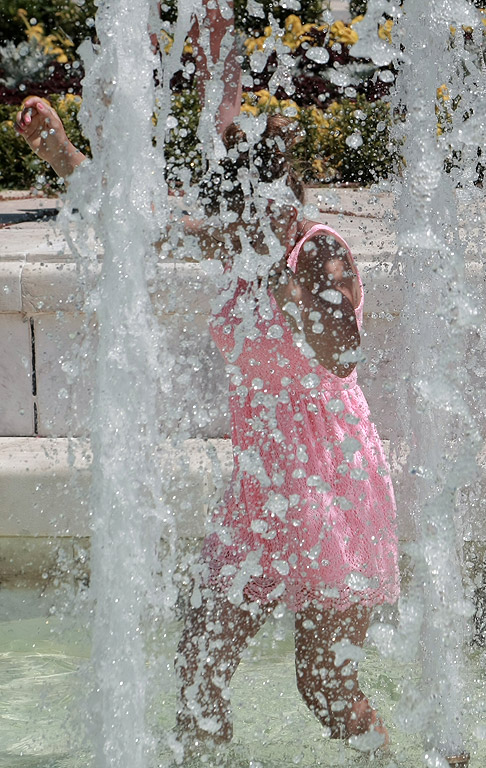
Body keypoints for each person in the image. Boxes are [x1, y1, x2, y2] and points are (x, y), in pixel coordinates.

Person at [16, 96, 399, 754]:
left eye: (250, 210)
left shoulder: (320, 253)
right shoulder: (238, 242)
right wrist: (60, 153)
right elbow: (142, 220)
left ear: (280, 200)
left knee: (326, 684)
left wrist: (287, 289)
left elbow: (344, 355)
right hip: (258, 485)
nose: (232, 226)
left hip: (326, 482)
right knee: (199, 671)